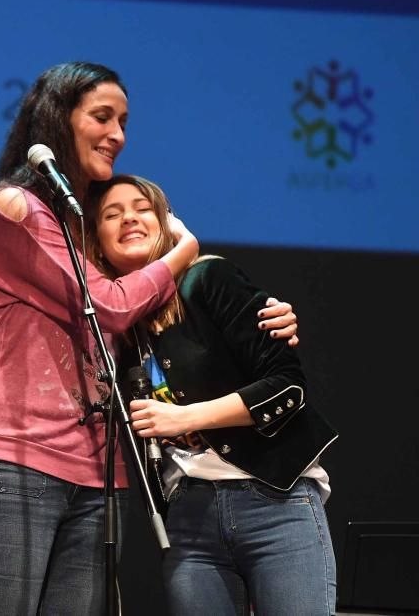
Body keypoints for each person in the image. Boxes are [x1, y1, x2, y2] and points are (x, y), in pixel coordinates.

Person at [0, 61, 298, 615]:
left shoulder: (90, 243)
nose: (118, 135)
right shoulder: (15, 206)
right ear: (57, 119)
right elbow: (110, 308)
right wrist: (183, 247)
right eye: (102, 117)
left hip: (100, 471)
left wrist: (268, 315)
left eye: (124, 121)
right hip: (17, 457)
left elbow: (151, 325)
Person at [84, 175, 339, 615]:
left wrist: (185, 419)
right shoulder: (112, 333)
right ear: (97, 244)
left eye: (142, 208)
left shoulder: (208, 278)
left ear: (166, 223)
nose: (129, 217)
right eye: (112, 213)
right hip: (190, 523)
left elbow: (287, 387)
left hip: (276, 504)